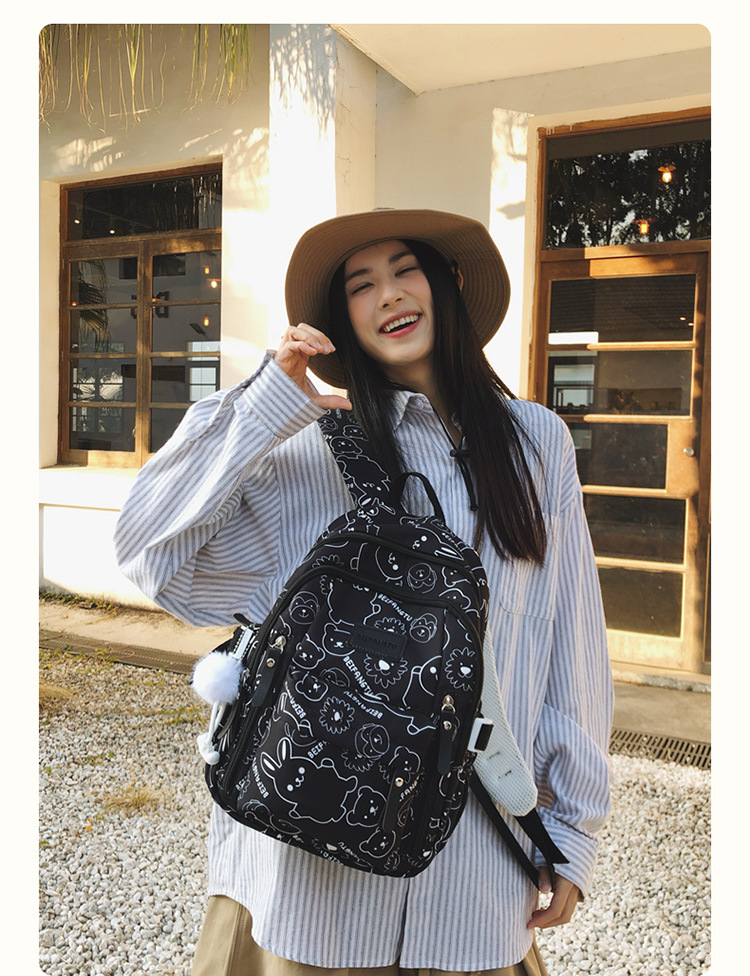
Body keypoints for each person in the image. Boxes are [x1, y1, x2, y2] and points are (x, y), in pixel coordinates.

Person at [114, 208, 613, 976]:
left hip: (472, 879)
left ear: (446, 285)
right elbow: (151, 555)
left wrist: (572, 832)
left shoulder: (534, 445)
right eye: (360, 284)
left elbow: (568, 645)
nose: (388, 294)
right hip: (307, 885)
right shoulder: (304, 449)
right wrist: (264, 405)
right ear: (340, 318)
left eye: (405, 270)